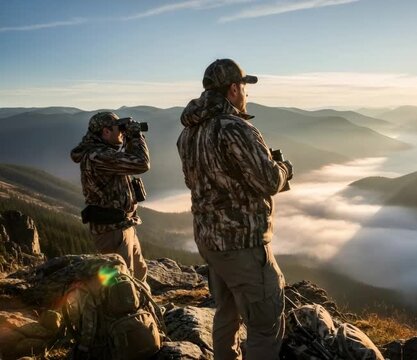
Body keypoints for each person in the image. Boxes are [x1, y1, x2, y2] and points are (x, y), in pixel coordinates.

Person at [177, 58, 293, 360]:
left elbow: (193, 181)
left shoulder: (188, 134)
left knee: (226, 315)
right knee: (266, 326)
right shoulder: (235, 128)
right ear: (232, 89)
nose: (246, 92)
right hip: (243, 245)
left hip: (210, 241)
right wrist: (284, 169)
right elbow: (267, 181)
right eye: (244, 86)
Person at [71, 111, 150, 285]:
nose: (122, 132)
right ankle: (126, 312)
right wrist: (135, 135)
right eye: (118, 129)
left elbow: (130, 161)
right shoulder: (98, 156)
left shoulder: (104, 152)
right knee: (123, 282)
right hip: (112, 231)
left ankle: (145, 310)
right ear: (106, 132)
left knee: (138, 273)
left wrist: (129, 139)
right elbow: (141, 163)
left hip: (123, 225)